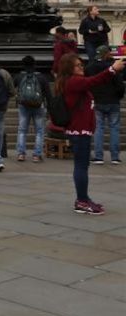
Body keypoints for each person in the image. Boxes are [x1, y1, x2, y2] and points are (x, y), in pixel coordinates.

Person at [54, 53, 126, 215]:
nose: (81, 67)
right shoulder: (74, 81)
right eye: (77, 65)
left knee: (82, 166)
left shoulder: (70, 81)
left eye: (81, 65)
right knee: (81, 167)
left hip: (80, 129)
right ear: (68, 68)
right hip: (79, 130)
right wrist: (112, 69)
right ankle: (82, 201)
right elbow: (94, 81)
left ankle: (84, 198)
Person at [84, 46, 123, 165]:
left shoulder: (89, 67)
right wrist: (118, 96)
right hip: (113, 101)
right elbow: (120, 85)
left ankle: (99, 156)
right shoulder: (112, 67)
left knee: (98, 129)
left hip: (97, 101)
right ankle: (115, 157)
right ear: (106, 54)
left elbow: (87, 83)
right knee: (114, 128)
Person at [14, 55, 50, 163]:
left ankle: (21, 153)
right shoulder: (41, 77)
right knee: (39, 131)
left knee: (22, 130)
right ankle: (36, 155)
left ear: (23, 65)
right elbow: (48, 94)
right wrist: (50, 108)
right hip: (38, 106)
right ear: (35, 64)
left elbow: (11, 88)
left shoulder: (19, 76)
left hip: (23, 106)